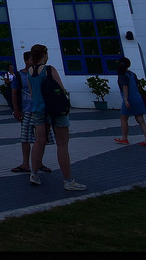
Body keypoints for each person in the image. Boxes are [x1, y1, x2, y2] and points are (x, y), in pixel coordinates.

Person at [27, 44, 86, 191]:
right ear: (44, 54)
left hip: (38, 111)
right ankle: (68, 180)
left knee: (39, 142)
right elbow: (61, 89)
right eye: (46, 54)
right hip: (56, 111)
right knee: (62, 144)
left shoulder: (29, 71)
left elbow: (32, 93)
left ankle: (34, 174)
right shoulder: (49, 69)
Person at [10, 50, 52, 174]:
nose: (34, 62)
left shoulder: (40, 73)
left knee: (41, 138)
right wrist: (16, 109)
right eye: (31, 59)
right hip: (26, 110)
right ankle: (25, 163)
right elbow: (14, 92)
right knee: (25, 138)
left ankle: (39, 162)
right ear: (26, 60)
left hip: (40, 109)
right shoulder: (19, 75)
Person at [114, 57, 146, 146]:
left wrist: (126, 100)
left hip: (129, 99)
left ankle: (124, 138)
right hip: (137, 98)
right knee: (140, 120)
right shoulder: (132, 74)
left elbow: (125, 86)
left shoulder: (122, 74)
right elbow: (138, 86)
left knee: (123, 118)